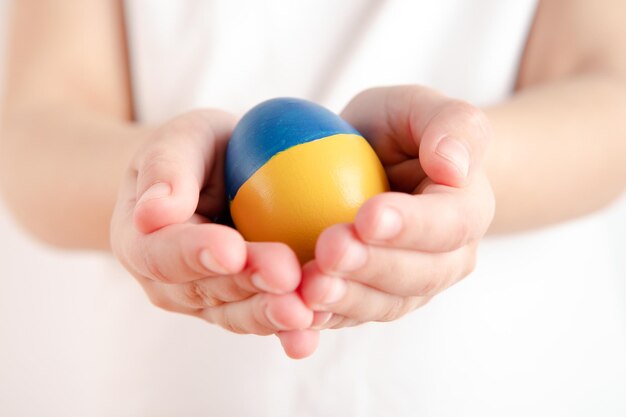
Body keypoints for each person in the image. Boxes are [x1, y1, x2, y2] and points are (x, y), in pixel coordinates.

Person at [1, 0, 625, 415]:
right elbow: (32, 127)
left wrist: (456, 169)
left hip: (501, 381)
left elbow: (610, 95)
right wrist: (158, 181)